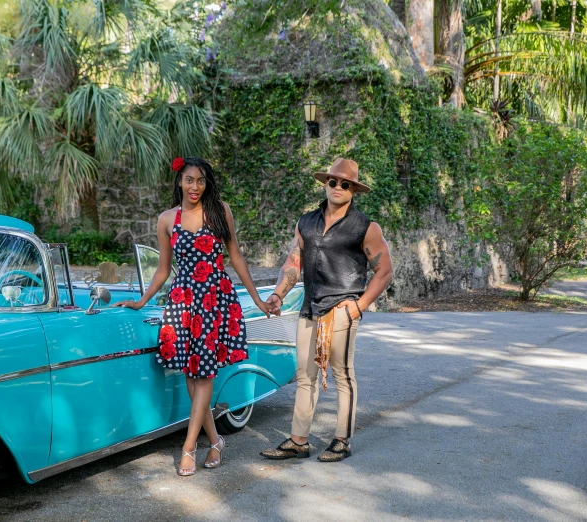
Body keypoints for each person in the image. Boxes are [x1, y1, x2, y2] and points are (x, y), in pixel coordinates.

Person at [114, 156, 274, 476]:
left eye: (200, 180)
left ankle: (188, 447)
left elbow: (236, 258)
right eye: (189, 180)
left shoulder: (219, 211)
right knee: (191, 377)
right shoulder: (166, 219)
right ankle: (215, 441)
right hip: (183, 300)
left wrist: (257, 299)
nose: (195, 187)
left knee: (203, 377)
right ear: (179, 181)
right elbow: (162, 270)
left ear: (207, 182)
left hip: (215, 299)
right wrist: (142, 300)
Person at [260, 157, 393, 462]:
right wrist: (279, 293)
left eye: (345, 184)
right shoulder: (306, 222)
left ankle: (341, 441)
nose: (338, 187)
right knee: (304, 375)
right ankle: (298, 441)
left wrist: (358, 307)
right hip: (310, 306)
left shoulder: (365, 227)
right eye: (333, 181)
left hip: (342, 309)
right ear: (325, 183)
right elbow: (293, 263)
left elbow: (384, 270)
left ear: (353, 190)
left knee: (342, 375)